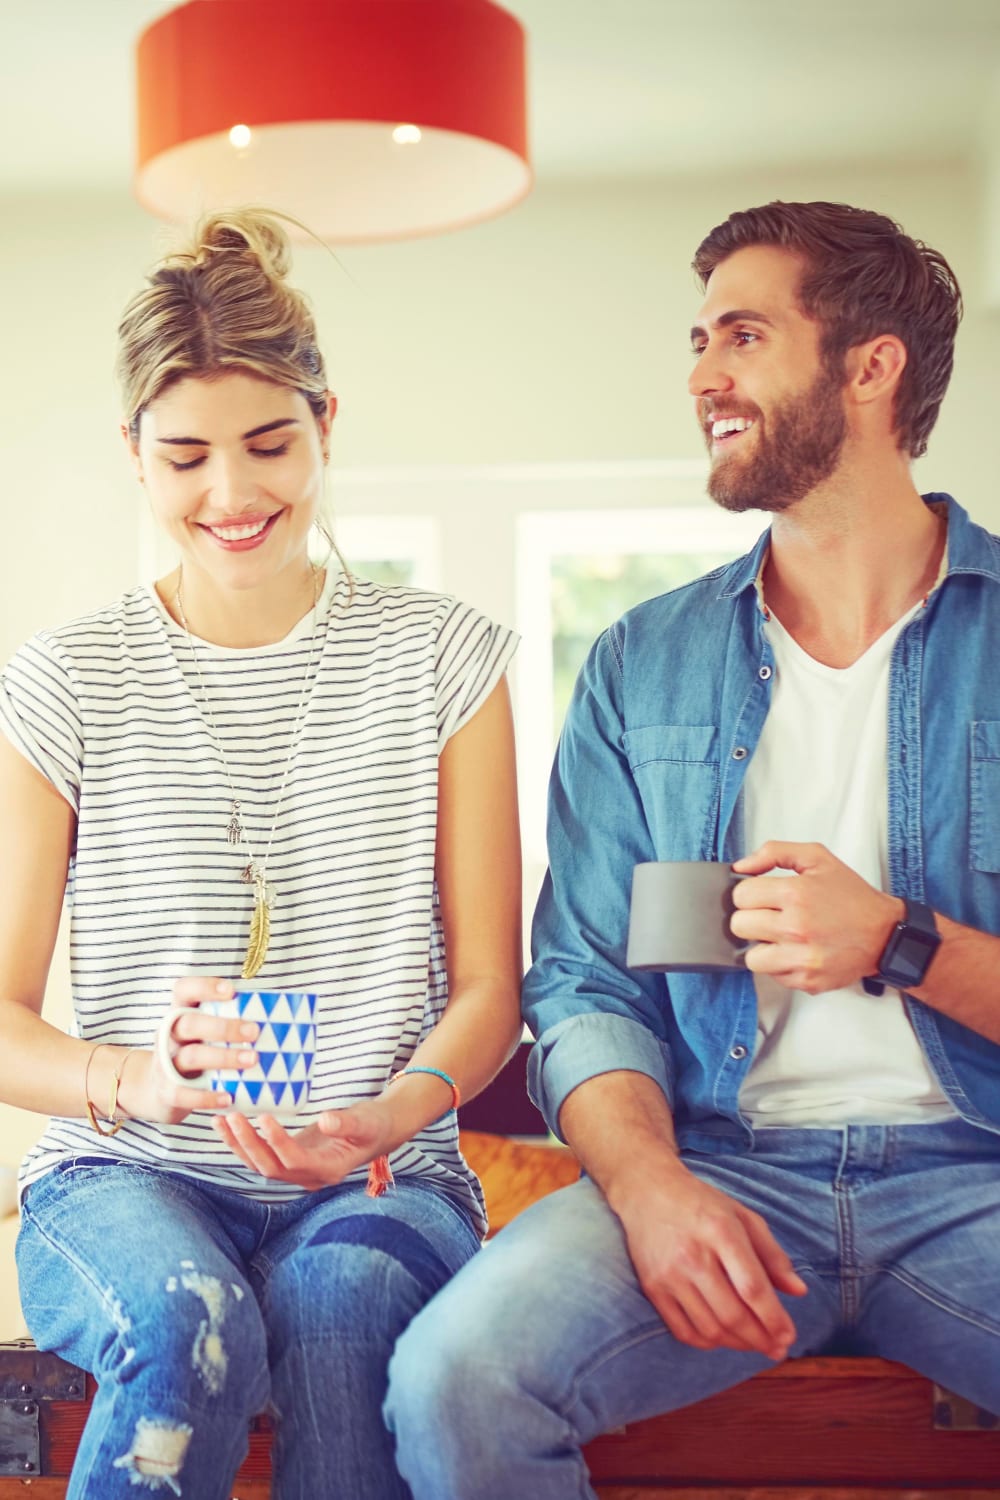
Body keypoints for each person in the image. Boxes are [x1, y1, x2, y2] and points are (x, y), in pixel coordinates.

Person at [385, 200, 1000, 1498]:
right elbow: (585, 986)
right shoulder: (639, 664)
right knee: (453, 1379)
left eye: (744, 335)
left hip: (976, 1188)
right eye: (698, 339)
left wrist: (902, 941)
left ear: (871, 366)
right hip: (718, 1166)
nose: (701, 376)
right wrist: (652, 1188)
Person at [0, 208, 522, 1499]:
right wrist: (141, 1080)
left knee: (344, 1313)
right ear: (133, 455)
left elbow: (490, 996)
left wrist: (384, 1116)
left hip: (385, 1174)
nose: (232, 495)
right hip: (125, 1175)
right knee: (190, 1326)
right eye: (185, 457)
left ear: (328, 425)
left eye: (270, 444)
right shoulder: (67, 680)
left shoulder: (444, 662)